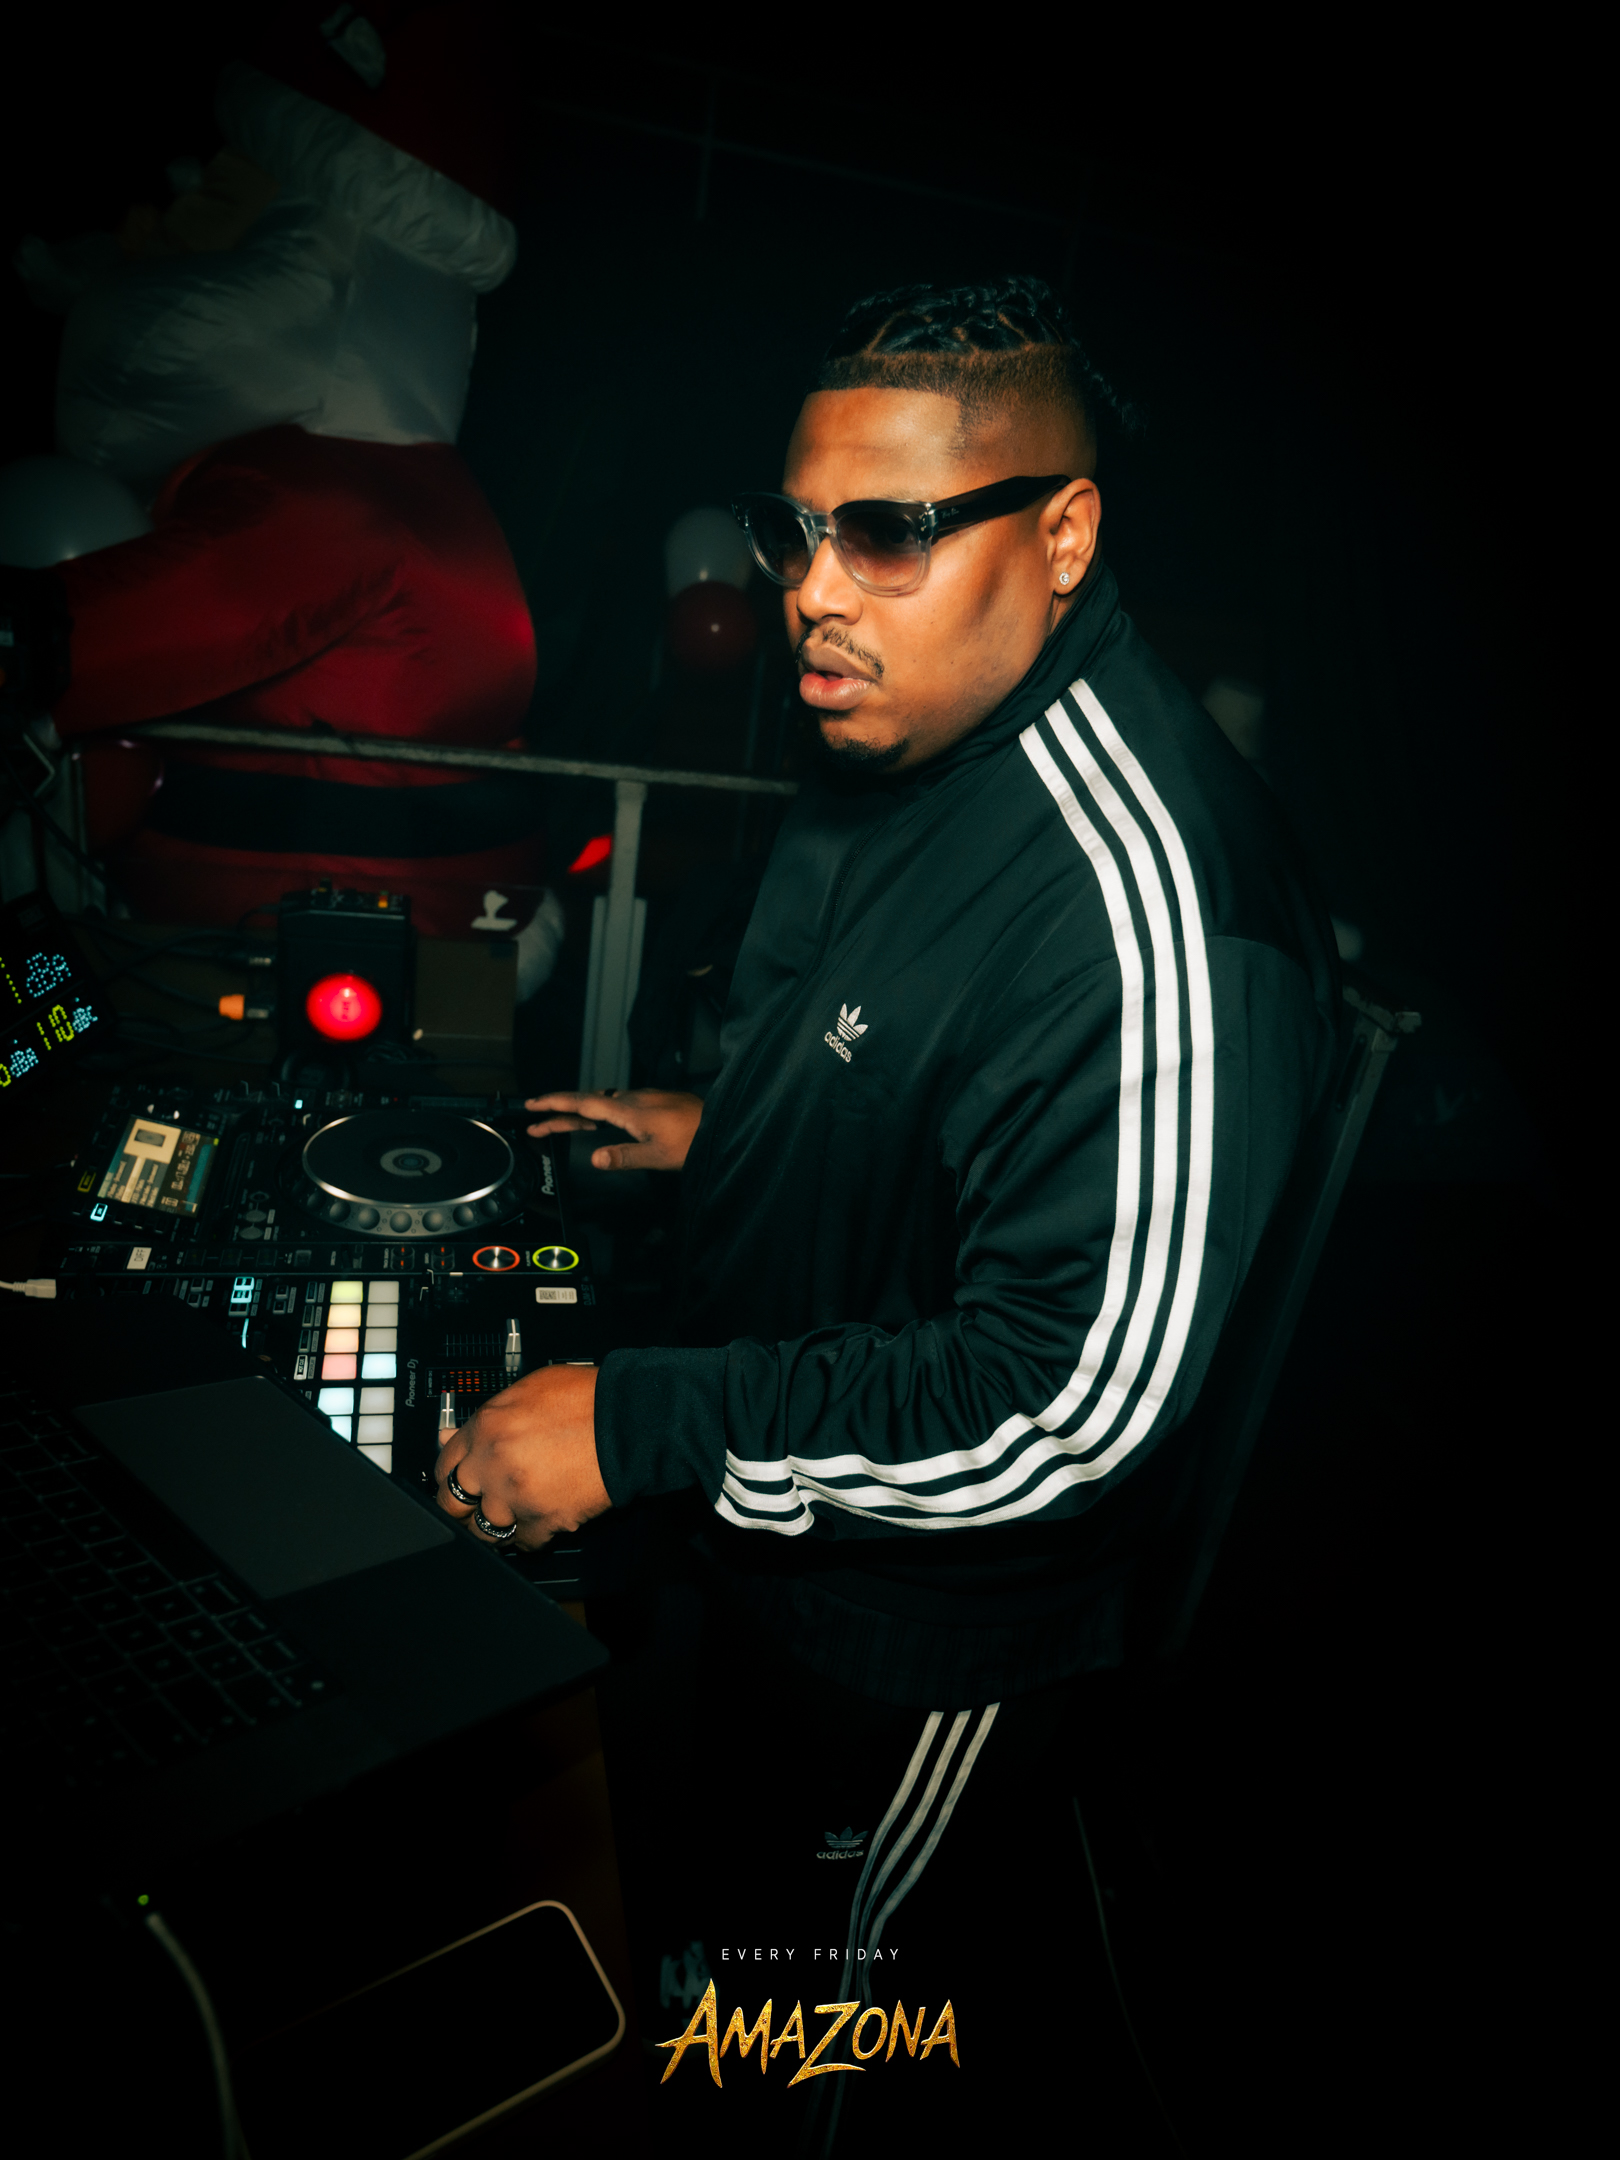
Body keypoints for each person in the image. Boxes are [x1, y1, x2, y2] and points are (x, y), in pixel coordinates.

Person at [435, 275, 1341, 2145]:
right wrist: (731, 1128)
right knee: (699, 1932)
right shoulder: (908, 727)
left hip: (918, 1650)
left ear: (1064, 537)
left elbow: (1068, 1412)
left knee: (823, 2027)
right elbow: (917, 1072)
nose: (813, 592)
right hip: (771, 1546)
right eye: (796, 531)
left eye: (890, 534)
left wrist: (641, 1425)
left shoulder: (1153, 909)